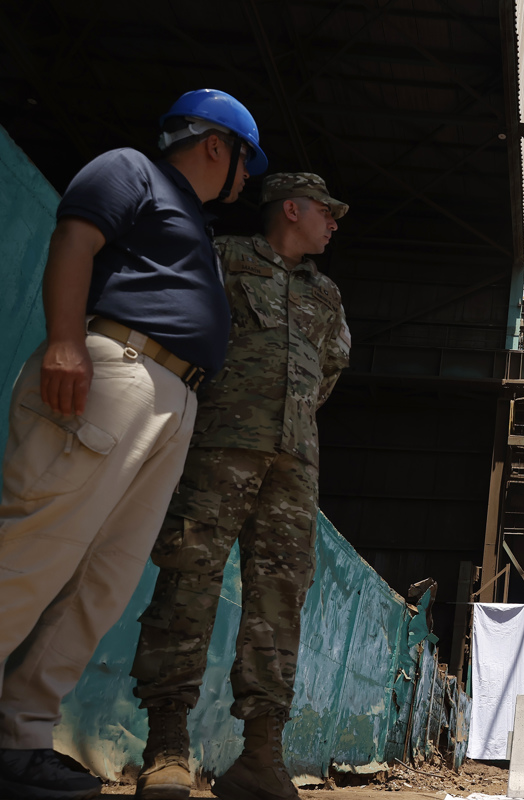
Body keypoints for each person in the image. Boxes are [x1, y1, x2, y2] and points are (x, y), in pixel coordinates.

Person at [0, 89, 266, 800]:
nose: (248, 178)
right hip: (115, 366)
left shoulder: (195, 223)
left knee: (102, 583)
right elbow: (76, 240)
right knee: (33, 548)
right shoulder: (132, 171)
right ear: (219, 144)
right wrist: (63, 340)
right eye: (248, 160)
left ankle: (20, 735)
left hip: (171, 398)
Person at [131, 173, 350, 800]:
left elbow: (328, 367)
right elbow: (185, 328)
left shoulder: (326, 293)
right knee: (189, 575)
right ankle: (166, 746)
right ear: (291, 208)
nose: (333, 223)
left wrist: (290, 418)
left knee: (279, 598)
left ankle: (260, 757)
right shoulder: (224, 258)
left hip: (293, 464)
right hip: (218, 447)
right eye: (326, 212)